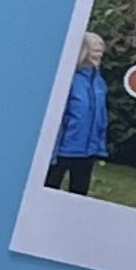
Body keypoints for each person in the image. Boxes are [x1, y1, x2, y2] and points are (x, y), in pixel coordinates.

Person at [49, 32, 110, 194]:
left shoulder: (99, 82)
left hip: (87, 152)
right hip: (63, 150)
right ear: (82, 51)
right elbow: (58, 116)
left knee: (79, 194)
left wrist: (99, 145)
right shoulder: (68, 79)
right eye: (95, 51)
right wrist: (52, 150)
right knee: (50, 189)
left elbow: (101, 116)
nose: (99, 55)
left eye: (101, 51)